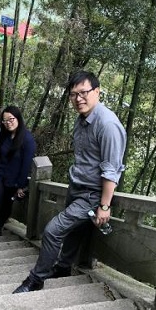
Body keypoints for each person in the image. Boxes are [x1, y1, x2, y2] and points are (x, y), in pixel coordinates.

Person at [13, 70, 127, 293]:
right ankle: (63, 267)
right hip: (76, 187)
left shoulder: (108, 125)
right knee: (73, 231)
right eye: (73, 94)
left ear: (97, 91)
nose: (78, 99)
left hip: (92, 194)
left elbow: (112, 169)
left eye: (83, 92)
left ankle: (36, 279)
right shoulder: (81, 119)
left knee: (53, 231)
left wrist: (104, 205)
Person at [0, 106, 36, 243]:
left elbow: (26, 166)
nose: (8, 123)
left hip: (13, 180)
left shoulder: (27, 139)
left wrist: (20, 186)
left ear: (18, 118)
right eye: (5, 120)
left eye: (11, 119)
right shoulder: (4, 134)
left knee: (6, 207)